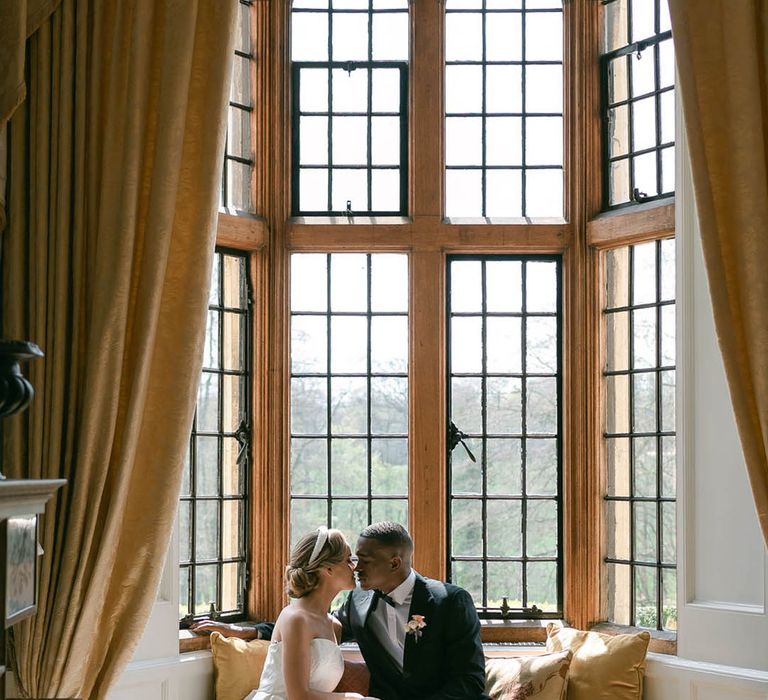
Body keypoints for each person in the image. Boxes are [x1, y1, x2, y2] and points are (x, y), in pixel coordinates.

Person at [203, 526, 379, 700]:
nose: (354, 567)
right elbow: (298, 696)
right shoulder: (295, 618)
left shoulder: (334, 625)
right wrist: (353, 698)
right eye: (348, 560)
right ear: (328, 569)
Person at [334, 521, 489, 700]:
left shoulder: (451, 602)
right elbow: (324, 628)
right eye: (356, 559)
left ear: (394, 563)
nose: (357, 567)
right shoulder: (358, 600)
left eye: (365, 561)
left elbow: (470, 679)